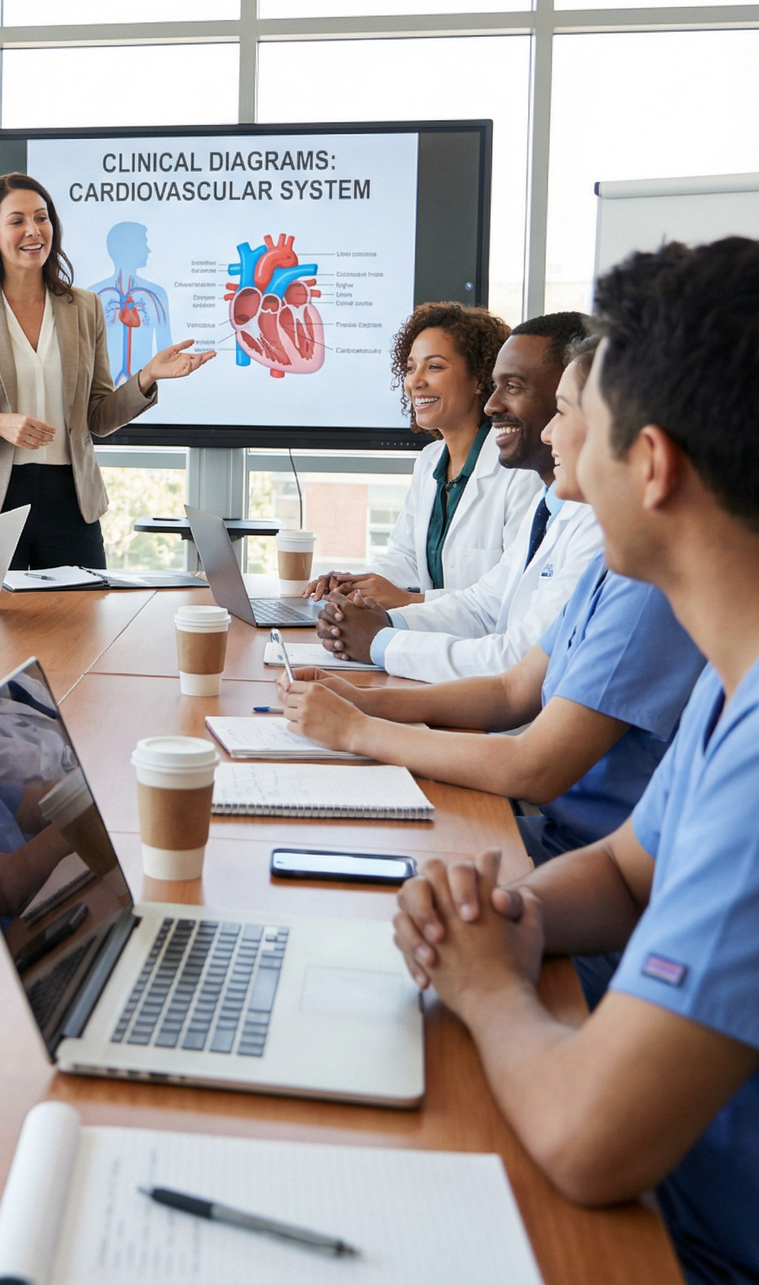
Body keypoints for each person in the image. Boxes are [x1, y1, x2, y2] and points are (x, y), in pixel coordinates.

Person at [387, 238, 759, 1285]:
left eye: (577, 421)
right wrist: (506, 918)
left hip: (694, 1236)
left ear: (650, 466)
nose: (554, 444)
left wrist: (485, 983)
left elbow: (587, 1135)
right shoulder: (738, 680)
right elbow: (621, 869)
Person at [281, 340, 704, 1004]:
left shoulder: (646, 589)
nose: (551, 431)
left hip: (566, 854)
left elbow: (535, 765)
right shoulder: (612, 563)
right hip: (571, 858)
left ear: (646, 454)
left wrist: (360, 731)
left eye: (565, 412)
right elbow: (514, 690)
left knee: (357, 974)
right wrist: (362, 702)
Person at [0, 174, 213, 571]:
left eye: (42, 218)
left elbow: (97, 417)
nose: (33, 230)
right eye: (17, 220)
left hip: (70, 501)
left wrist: (147, 377)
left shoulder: (85, 307)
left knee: (81, 628)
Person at [318, 313, 602, 681]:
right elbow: (484, 605)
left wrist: (382, 639)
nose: (492, 406)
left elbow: (516, 662)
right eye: (410, 367)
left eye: (513, 387)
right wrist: (380, 619)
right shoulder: (549, 504)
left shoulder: (593, 523)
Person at [306, 302, 539, 607]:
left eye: (435, 366)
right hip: (430, 637)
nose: (415, 382)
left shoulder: (519, 471)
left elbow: (510, 595)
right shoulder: (430, 460)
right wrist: (353, 582)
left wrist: (408, 601)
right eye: (411, 367)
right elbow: (406, 559)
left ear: (480, 378)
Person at [88, 221, 171, 384]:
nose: (148, 250)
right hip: (100, 389)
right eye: (143, 243)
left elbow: (166, 350)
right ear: (127, 248)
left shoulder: (156, 294)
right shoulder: (94, 295)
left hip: (143, 388)